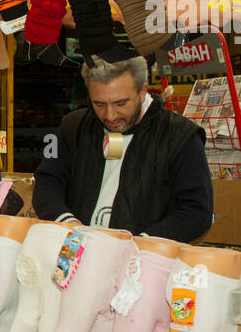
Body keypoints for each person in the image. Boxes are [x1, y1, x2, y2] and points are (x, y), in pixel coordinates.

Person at [33, 55, 213, 242]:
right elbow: (46, 180)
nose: (110, 115)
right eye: (99, 104)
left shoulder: (183, 137)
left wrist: (141, 243)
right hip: (74, 252)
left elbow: (197, 212)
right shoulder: (70, 127)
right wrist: (68, 224)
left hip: (145, 261)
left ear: (143, 91)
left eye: (121, 103)